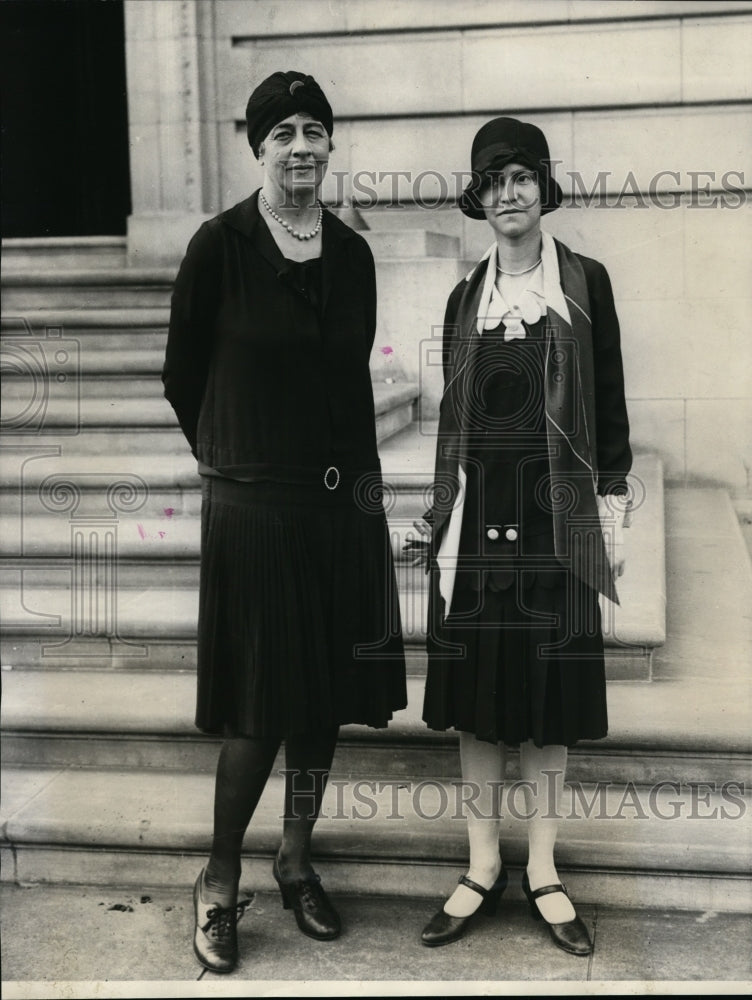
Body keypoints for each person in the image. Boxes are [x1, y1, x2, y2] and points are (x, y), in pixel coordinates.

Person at [162, 70, 406, 974]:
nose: (302, 146)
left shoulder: (349, 254)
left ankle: (296, 856)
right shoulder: (218, 246)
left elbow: (350, 388)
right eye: (283, 133)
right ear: (256, 146)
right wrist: (234, 458)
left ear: (329, 145)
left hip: (339, 503)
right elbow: (182, 376)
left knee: (325, 702)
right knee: (261, 705)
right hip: (254, 506)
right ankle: (219, 879)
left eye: (316, 130)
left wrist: (370, 506)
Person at [415, 117, 631, 955]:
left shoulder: (585, 285)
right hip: (480, 527)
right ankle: (480, 865)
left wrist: (610, 511)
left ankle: (542, 868)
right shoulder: (465, 297)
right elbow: (453, 423)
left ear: (544, 187)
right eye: (494, 181)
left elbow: (608, 407)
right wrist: (437, 515)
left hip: (557, 522)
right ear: (478, 196)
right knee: (478, 710)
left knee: (547, 711)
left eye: (522, 178)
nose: (509, 195)